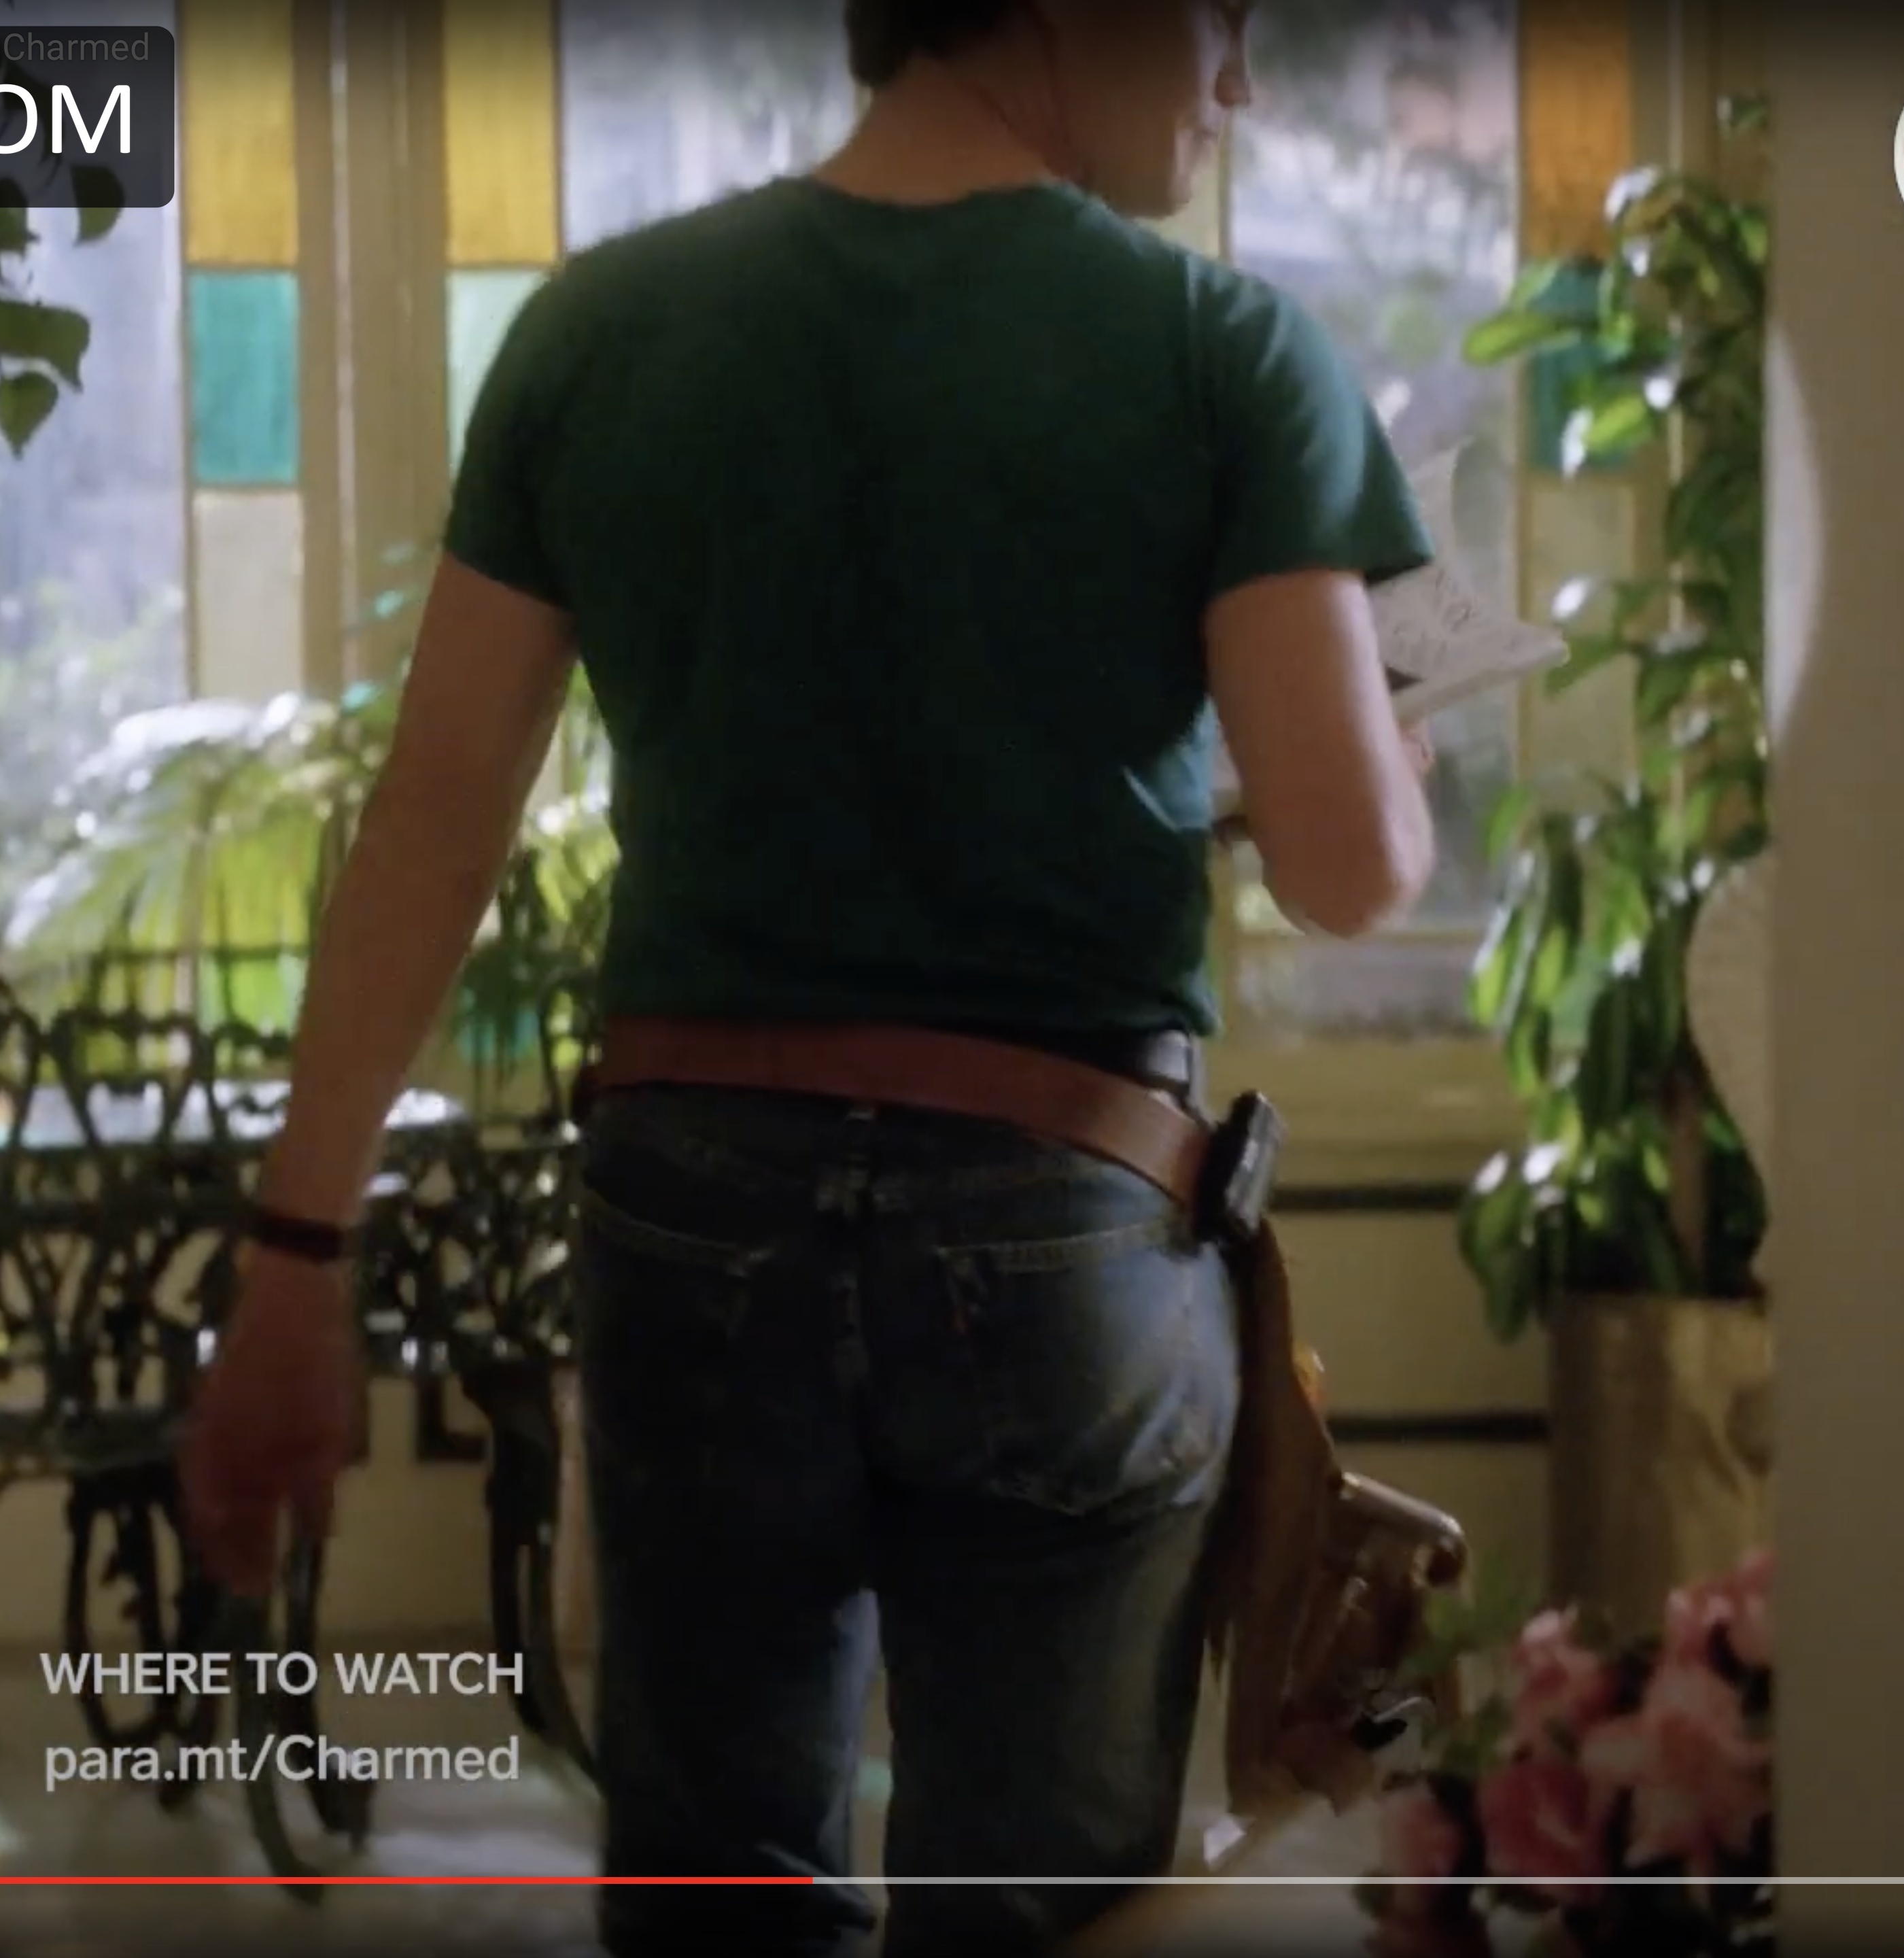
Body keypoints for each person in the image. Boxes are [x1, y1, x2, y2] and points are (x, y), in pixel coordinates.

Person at [178, 1, 1440, 1950]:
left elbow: (433, 824)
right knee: (1036, 1925)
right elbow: (1354, 871)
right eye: (1225, 19)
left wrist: (295, 1257)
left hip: (693, 1219)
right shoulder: (1225, 350)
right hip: (1063, 1224)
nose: (1240, 79)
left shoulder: (601, 330)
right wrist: (1385, 754)